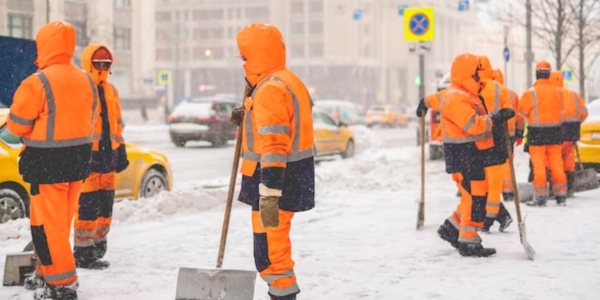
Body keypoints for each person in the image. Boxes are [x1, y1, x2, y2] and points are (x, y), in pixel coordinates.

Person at [7, 21, 98, 300]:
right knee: (60, 224)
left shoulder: (37, 81)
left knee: (48, 227)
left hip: (47, 165)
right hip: (79, 163)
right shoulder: (86, 79)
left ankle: (62, 284)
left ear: (44, 46)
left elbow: (16, 126)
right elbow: (89, 117)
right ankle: (46, 272)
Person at [235, 23, 315, 300]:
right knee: (273, 250)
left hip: (273, 182)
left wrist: (269, 192)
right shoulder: (286, 80)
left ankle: (283, 295)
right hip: (288, 178)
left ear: (257, 54)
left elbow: (275, 142)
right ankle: (282, 292)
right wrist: (248, 111)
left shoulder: (270, 88)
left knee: (269, 256)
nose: (242, 61)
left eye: (245, 56)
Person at [436, 53, 515, 257]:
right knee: (473, 197)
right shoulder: (456, 97)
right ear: (465, 75)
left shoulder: (465, 94)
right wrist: (495, 118)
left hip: (470, 153)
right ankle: (468, 241)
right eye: (475, 75)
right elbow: (472, 125)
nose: (479, 80)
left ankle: (452, 228)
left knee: (474, 195)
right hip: (463, 154)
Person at [73, 44, 129, 269]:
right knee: (87, 207)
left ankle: (98, 247)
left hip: (109, 157)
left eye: (107, 64)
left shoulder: (113, 90)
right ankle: (83, 252)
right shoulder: (80, 89)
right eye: (98, 63)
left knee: (105, 207)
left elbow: (117, 124)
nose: (103, 67)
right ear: (88, 63)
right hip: (89, 156)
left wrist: (121, 147)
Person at [518, 61, 568, 206]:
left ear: (537, 74)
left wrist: (519, 133)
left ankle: (540, 197)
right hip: (555, 133)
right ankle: (561, 195)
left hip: (537, 133)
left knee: (538, 165)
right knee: (557, 164)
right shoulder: (558, 92)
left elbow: (521, 116)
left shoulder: (530, 93)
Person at [477, 57, 513, 233]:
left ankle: (492, 215)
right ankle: (490, 217)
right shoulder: (500, 89)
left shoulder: (469, 88)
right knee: (494, 182)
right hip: (497, 138)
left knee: (479, 182)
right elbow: (510, 112)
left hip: (475, 139)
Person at [550, 71, 589, 197]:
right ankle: (570, 187)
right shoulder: (574, 94)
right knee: (569, 160)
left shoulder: (551, 95)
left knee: (555, 160)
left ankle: (556, 188)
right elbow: (584, 113)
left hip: (557, 132)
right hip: (571, 133)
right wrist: (576, 123)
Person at [493, 69, 524, 201]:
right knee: (507, 161)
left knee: (492, 163)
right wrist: (519, 133)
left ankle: (492, 191)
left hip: (492, 132)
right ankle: (508, 191)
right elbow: (519, 116)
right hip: (509, 133)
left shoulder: (485, 91)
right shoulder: (512, 94)